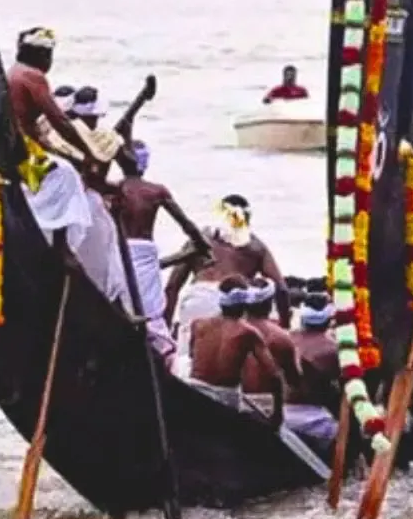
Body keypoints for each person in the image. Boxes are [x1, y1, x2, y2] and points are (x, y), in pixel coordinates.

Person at [6, 28, 129, 310]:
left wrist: (73, 155)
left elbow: (41, 135)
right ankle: (63, 247)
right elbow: (58, 120)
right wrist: (88, 154)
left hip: (22, 149)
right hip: (23, 154)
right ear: (42, 54)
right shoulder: (32, 76)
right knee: (66, 176)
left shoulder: (15, 72)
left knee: (66, 167)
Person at [165, 193, 289, 368]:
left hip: (197, 299)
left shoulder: (200, 239)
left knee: (185, 360)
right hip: (234, 303)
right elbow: (281, 289)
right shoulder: (256, 246)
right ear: (247, 218)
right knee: (229, 363)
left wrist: (166, 328)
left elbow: (172, 287)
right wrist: (284, 327)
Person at [113, 141, 211, 360]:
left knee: (126, 304)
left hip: (121, 252)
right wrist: (203, 246)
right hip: (143, 254)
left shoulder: (115, 189)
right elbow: (186, 225)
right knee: (150, 313)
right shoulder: (155, 191)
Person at [187, 278, 285, 427]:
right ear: (245, 303)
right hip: (225, 397)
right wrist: (278, 414)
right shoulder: (247, 332)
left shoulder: (198, 324)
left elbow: (192, 355)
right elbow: (274, 375)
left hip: (194, 390)